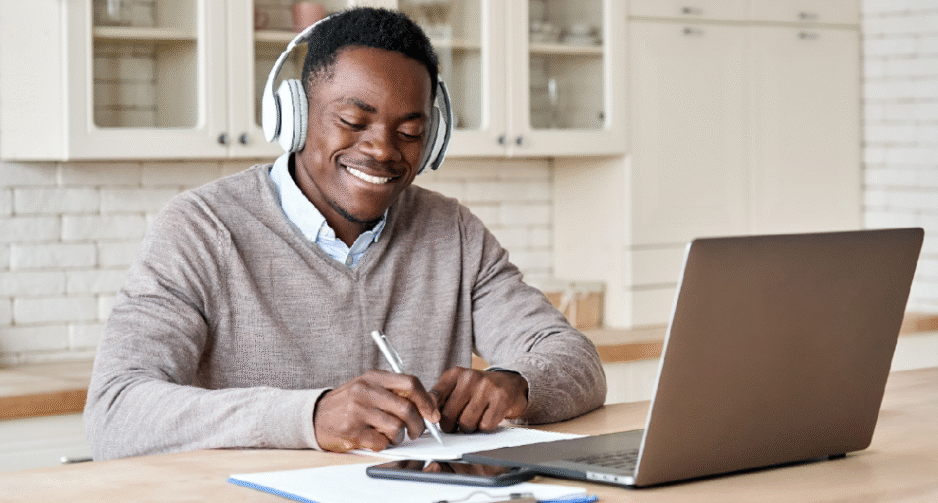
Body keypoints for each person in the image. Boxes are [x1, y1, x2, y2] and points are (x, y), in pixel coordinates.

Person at [84, 7, 606, 460]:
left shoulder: (454, 233)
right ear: (294, 115)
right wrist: (308, 417)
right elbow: (115, 410)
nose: (382, 149)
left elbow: (573, 358)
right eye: (354, 121)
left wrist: (516, 386)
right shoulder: (202, 228)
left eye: (410, 132)